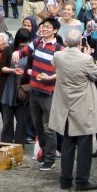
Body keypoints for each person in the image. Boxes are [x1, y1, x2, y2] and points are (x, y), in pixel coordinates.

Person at [49, 30, 97, 191]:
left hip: (65, 105)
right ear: (81, 42)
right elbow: (96, 75)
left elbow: (55, 66)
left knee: (67, 144)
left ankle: (65, 179)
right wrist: (87, 55)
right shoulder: (86, 59)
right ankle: (81, 180)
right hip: (82, 107)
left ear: (66, 42)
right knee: (84, 146)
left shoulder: (59, 56)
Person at [16, 18, 64, 171]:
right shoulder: (37, 42)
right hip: (34, 91)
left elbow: (64, 69)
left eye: (48, 27)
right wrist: (16, 53)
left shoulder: (59, 48)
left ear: (55, 30)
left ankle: (50, 159)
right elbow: (24, 51)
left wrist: (50, 77)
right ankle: (44, 154)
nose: (44, 29)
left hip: (48, 93)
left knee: (49, 128)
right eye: (43, 27)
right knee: (38, 126)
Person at [0, 28, 31, 143]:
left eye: (26, 41)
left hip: (23, 89)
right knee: (7, 121)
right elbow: (1, 67)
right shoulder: (8, 50)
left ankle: (19, 144)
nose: (24, 44)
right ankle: (6, 142)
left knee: (22, 121)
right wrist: (13, 70)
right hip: (8, 87)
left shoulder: (30, 52)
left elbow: (32, 68)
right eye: (22, 41)